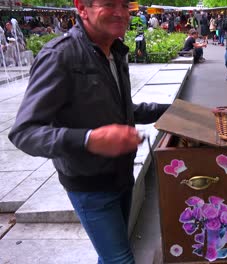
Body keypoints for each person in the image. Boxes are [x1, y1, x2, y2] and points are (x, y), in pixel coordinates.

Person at [8, 0, 171, 262]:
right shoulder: (59, 55)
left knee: (110, 255)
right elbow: (24, 132)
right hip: (90, 185)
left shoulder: (115, 51)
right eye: (109, 4)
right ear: (82, 8)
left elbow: (123, 108)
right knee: (120, 260)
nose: (120, 13)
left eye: (124, 5)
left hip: (122, 176)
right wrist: (89, 139)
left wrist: (174, 110)